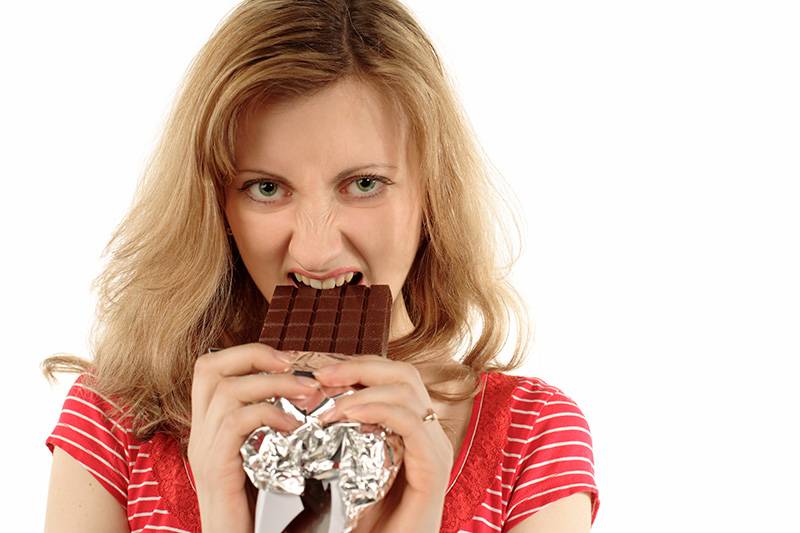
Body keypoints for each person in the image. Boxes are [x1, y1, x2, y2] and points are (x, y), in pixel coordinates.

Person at [42, 1, 600, 531]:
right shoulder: (116, 421)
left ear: (433, 192)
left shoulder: (529, 438)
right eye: (266, 188)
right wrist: (222, 511)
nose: (314, 251)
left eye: (364, 184)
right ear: (216, 204)